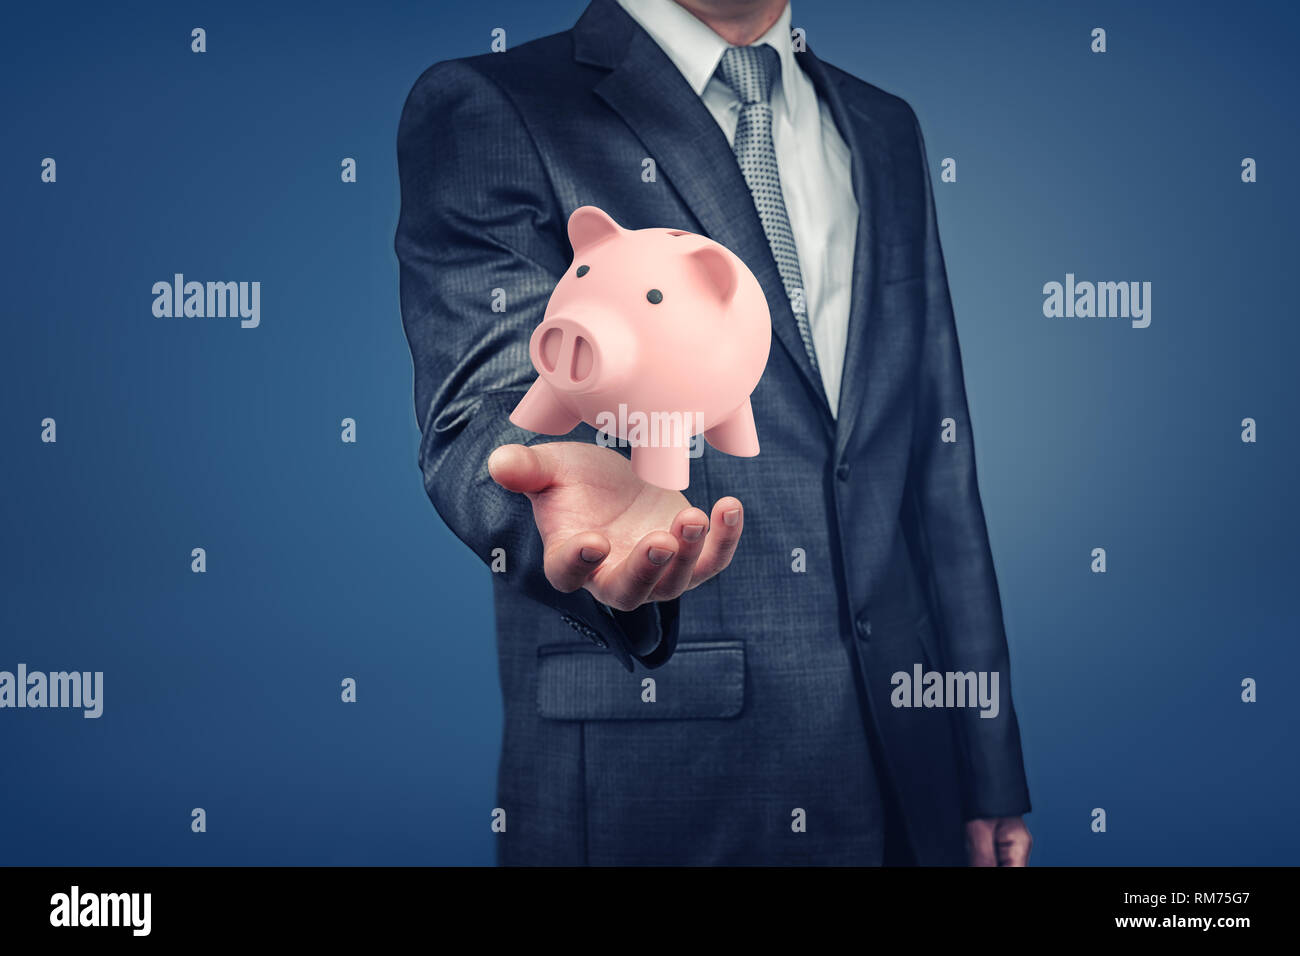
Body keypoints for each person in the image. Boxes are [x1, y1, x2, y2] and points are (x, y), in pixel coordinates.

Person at [395, 0, 1033, 865]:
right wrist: (553, 495)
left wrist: (983, 763)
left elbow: (934, 467)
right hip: (665, 775)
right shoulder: (496, 105)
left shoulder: (885, 127)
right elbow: (485, 408)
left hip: (905, 766)